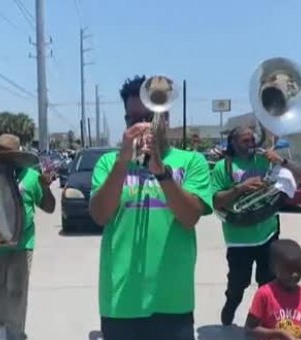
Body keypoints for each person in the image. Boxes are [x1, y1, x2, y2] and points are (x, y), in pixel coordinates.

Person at [89, 75, 213, 340]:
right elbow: (100, 215)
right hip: (120, 302)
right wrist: (122, 163)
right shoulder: (107, 163)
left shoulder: (192, 161)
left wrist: (162, 173)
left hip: (173, 301)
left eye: (148, 116)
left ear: (164, 119)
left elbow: (190, 217)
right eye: (133, 119)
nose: (141, 125)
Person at [211, 125, 300, 326]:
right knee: (238, 283)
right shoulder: (223, 167)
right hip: (238, 238)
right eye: (245, 141)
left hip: (267, 233)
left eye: (252, 140)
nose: (251, 144)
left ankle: (264, 322)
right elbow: (216, 201)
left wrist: (281, 161)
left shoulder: (264, 161)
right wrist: (240, 188)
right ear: (233, 143)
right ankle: (231, 304)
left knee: (267, 282)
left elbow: (300, 176)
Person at [0, 134, 56, 340]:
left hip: (22, 245)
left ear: (14, 156)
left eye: (5, 155)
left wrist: (46, 186)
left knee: (17, 292)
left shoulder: (30, 176)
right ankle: (1, 328)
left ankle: (15, 334)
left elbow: (49, 207)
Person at [245, 239, 301, 340]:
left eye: (299, 269)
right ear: (274, 268)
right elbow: (249, 329)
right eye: (288, 270)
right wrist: (278, 334)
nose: (295, 274)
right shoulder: (264, 294)